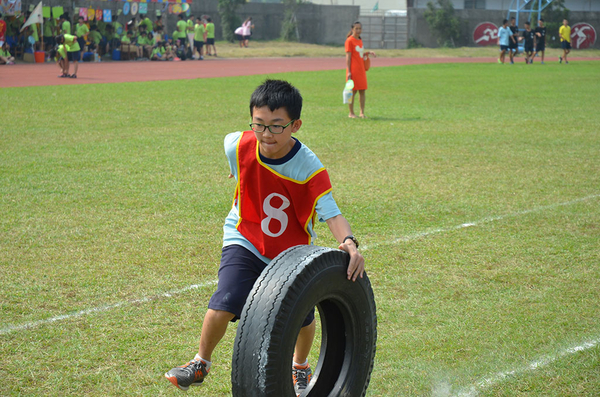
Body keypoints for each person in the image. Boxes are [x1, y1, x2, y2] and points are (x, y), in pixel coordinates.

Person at [164, 79, 365, 396]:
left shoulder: (310, 169)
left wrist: (350, 243)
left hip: (290, 251)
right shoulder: (237, 145)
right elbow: (236, 163)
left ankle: (300, 366)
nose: (266, 135)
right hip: (244, 234)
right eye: (259, 125)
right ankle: (200, 362)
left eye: (276, 126)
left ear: (295, 125)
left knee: (302, 317)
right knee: (226, 298)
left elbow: (332, 213)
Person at [345, 21, 375, 119]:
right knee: (352, 91)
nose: (358, 30)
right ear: (352, 29)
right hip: (353, 69)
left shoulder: (360, 40)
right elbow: (348, 57)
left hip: (361, 69)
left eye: (360, 28)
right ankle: (351, 113)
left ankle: (362, 112)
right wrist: (349, 71)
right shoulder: (349, 41)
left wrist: (368, 53)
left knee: (362, 91)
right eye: (356, 28)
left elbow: (359, 54)